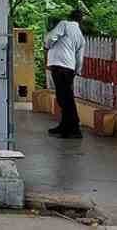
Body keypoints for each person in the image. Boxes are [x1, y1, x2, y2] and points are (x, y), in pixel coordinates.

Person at [46, 9, 87, 139]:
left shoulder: (64, 24)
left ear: (70, 17)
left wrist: (48, 45)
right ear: (80, 21)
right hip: (69, 68)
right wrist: (77, 71)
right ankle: (64, 126)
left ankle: (74, 129)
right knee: (65, 97)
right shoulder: (80, 36)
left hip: (58, 65)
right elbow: (80, 57)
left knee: (65, 99)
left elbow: (51, 37)